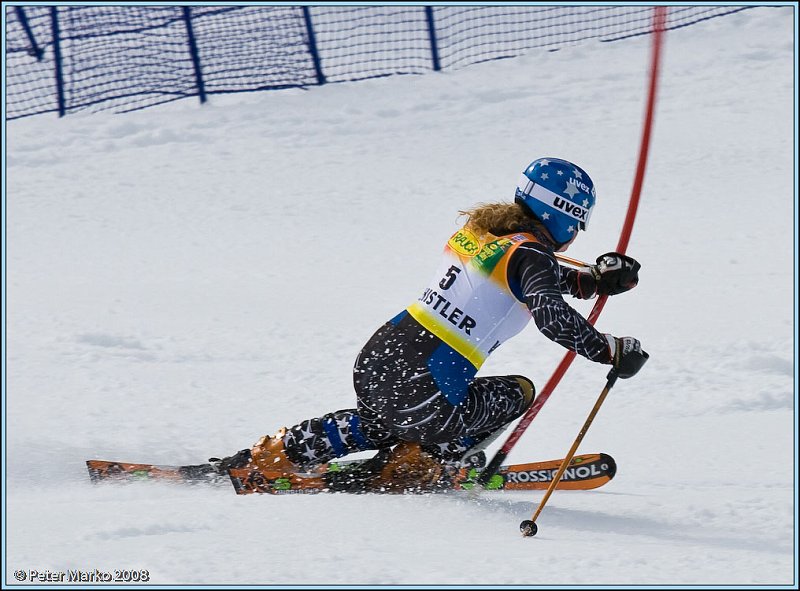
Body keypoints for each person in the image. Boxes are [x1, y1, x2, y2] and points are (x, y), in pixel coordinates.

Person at [212, 157, 648, 491]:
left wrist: (591, 280)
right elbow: (549, 313)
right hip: (428, 386)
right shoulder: (532, 255)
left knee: (383, 418)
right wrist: (609, 349)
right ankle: (423, 463)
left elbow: (521, 277)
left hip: (377, 361)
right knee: (518, 392)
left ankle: (269, 456)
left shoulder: (485, 231)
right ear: (562, 215)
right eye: (577, 223)